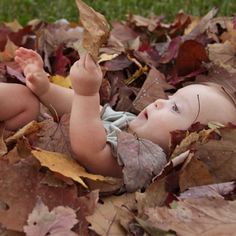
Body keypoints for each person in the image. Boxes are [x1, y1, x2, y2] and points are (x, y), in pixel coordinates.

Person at [2, 47, 236, 178]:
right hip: (36, 134)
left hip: (42, 156)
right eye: (169, 98)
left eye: (175, 108)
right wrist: (45, 88)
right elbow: (86, 109)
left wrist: (86, 93)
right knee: (25, 99)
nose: (159, 103)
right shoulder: (130, 122)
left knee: (23, 103)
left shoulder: (143, 164)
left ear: (187, 147)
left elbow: (89, 150)